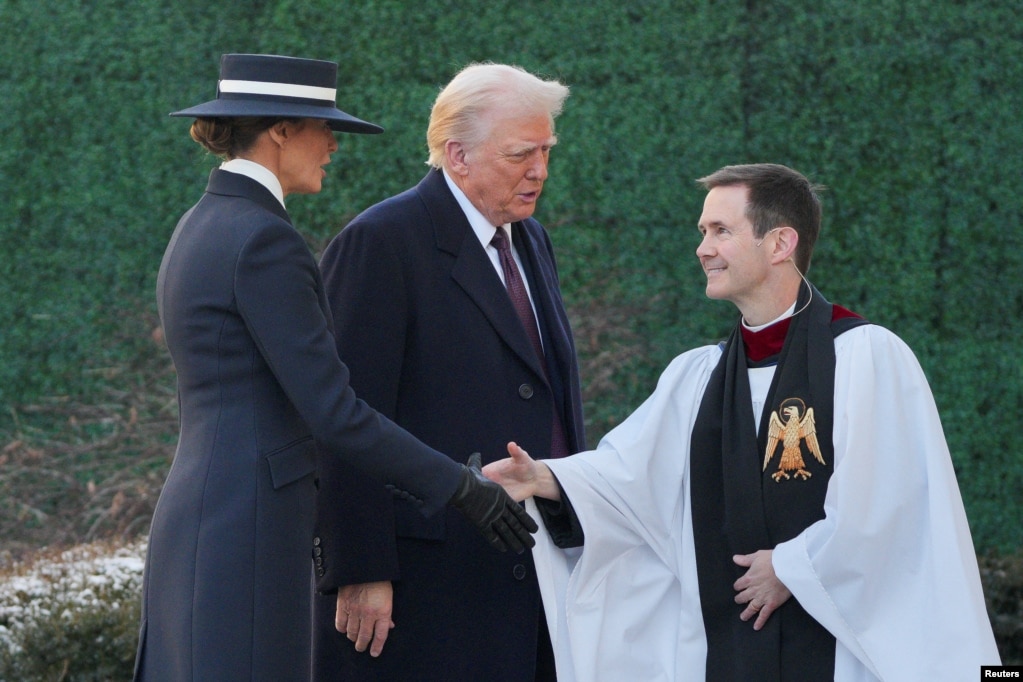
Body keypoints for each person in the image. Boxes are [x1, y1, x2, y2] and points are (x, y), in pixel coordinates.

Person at [484, 163, 1001, 681]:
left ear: (780, 244)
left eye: (721, 231)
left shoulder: (866, 357)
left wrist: (792, 568)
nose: (702, 248)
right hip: (724, 650)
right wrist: (547, 479)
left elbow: (892, 508)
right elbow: (630, 480)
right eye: (703, 232)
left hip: (835, 654)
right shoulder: (697, 375)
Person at [133, 53, 536, 682]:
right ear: (281, 131)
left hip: (207, 522)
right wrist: (460, 489)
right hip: (250, 532)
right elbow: (336, 411)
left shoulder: (203, 223)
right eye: (324, 128)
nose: (332, 146)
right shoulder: (264, 240)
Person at [311, 63, 585, 681]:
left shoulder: (531, 239)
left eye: (546, 151)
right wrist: (361, 566)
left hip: (531, 569)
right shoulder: (380, 241)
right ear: (457, 156)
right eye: (521, 154)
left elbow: (549, 393)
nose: (539, 170)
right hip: (425, 585)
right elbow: (344, 415)